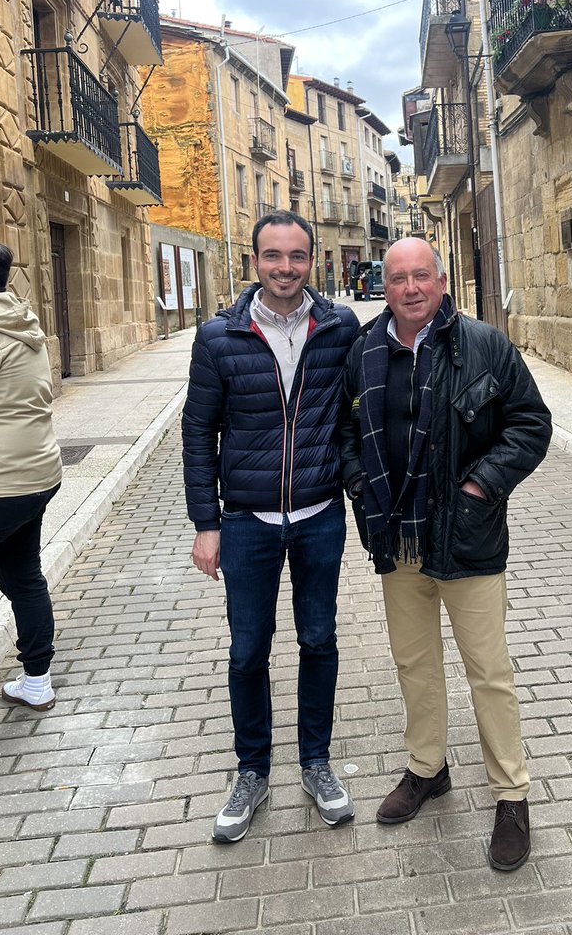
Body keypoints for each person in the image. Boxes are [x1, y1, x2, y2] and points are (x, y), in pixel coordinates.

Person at [340, 238, 551, 871]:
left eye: (421, 276)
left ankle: (511, 796)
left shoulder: (485, 345)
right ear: (386, 283)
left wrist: (480, 484)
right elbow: (349, 432)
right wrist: (359, 483)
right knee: (414, 663)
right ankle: (428, 769)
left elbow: (530, 425)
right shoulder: (364, 350)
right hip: (396, 537)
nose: (409, 288)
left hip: (467, 538)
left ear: (441, 280)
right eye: (397, 277)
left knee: (489, 671)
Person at [183, 211, 360, 842]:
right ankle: (252, 771)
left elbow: (355, 414)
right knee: (247, 650)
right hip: (248, 522)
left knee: (318, 640)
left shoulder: (339, 327)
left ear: (311, 260)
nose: (285, 267)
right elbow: (199, 434)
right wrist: (207, 523)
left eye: (296, 256)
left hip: (319, 516)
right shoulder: (219, 337)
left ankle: (316, 763)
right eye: (272, 256)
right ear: (254, 261)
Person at [0, 241, 62, 712]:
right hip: (37, 474)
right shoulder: (22, 323)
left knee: (23, 577)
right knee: (23, 576)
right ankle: (36, 681)